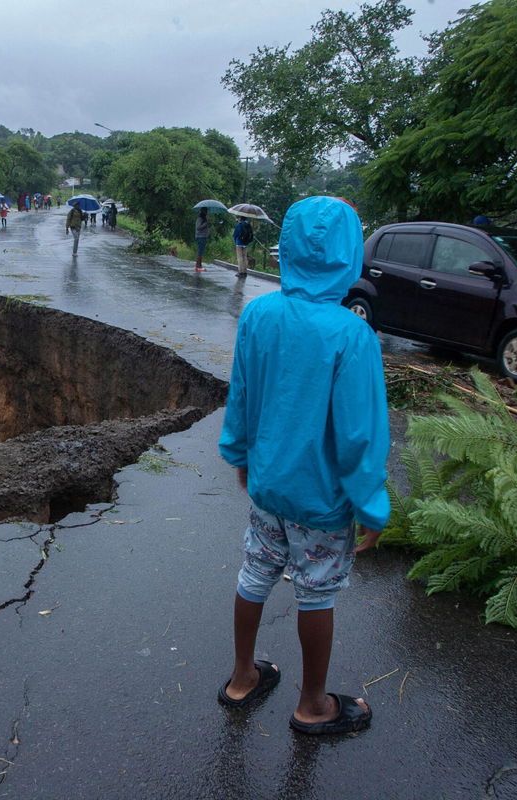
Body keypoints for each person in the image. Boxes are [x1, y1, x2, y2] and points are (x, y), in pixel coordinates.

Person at [217, 196, 388, 736]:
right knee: (315, 591)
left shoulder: (259, 314)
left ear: (286, 245)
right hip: (323, 499)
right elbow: (359, 435)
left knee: (255, 574)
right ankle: (313, 705)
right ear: (348, 253)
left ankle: (243, 678)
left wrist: (241, 457)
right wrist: (371, 506)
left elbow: (242, 395)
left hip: (268, 487)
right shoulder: (351, 334)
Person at [194, 207, 210, 271]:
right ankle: (198, 266)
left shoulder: (203, 218)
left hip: (203, 236)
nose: (206, 212)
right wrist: (205, 224)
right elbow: (198, 227)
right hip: (200, 237)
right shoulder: (200, 218)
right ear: (202, 211)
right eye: (205, 211)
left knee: (201, 251)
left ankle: (199, 265)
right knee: (200, 251)